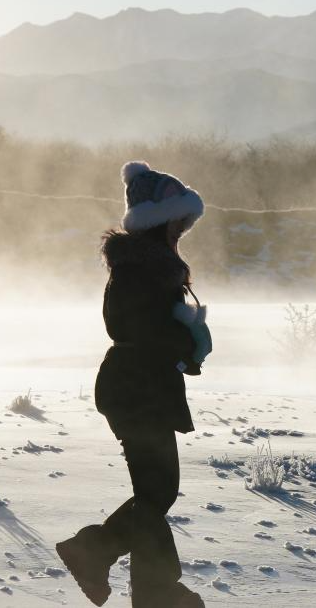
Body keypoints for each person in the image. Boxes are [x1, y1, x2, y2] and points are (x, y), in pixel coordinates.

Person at [56, 161, 212, 608]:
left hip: (140, 385)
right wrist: (185, 340)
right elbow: (135, 327)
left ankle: (152, 591)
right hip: (135, 388)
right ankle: (104, 558)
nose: (182, 230)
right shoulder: (142, 268)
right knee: (157, 492)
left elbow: (147, 329)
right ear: (159, 220)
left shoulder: (148, 266)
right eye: (179, 221)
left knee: (153, 495)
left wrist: (185, 348)